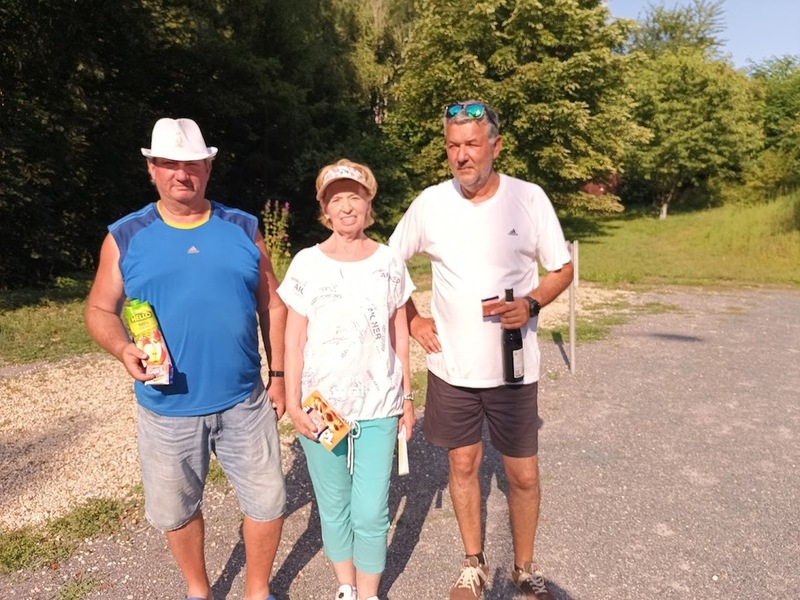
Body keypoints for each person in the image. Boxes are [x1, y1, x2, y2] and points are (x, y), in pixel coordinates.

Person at [85, 117, 287, 600]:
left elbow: (273, 305)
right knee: (176, 510)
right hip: (166, 406)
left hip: (244, 400)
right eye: (169, 164)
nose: (182, 173)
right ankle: (199, 590)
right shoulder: (126, 236)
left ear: (208, 168)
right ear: (152, 169)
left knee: (267, 501)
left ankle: (257, 590)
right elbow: (98, 309)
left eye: (192, 164)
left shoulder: (243, 228)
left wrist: (278, 374)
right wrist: (122, 348)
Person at [388, 101, 573, 600]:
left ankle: (525, 570)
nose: (462, 155)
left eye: (472, 144)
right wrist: (413, 318)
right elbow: (388, 262)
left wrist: (531, 303)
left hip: (514, 367)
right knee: (463, 466)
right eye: (453, 145)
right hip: (453, 367)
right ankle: (473, 564)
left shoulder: (528, 198)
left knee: (522, 474)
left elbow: (562, 268)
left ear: (496, 145)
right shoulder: (430, 202)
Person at [278, 159, 415, 600]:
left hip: (379, 405)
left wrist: (407, 398)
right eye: (336, 199)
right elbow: (293, 340)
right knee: (334, 505)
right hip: (321, 409)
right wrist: (294, 404)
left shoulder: (389, 261)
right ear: (325, 209)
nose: (346, 207)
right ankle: (346, 586)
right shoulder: (306, 263)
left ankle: (369, 593)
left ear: (368, 204)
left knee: (371, 511)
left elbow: (399, 333)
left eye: (354, 198)